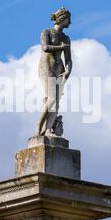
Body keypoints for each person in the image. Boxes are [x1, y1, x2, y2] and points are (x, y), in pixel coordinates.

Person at [36, 7, 72, 137]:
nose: (70, 22)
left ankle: (48, 130)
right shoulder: (47, 32)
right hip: (46, 66)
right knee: (51, 99)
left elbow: (68, 59)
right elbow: (45, 47)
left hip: (59, 69)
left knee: (56, 101)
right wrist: (60, 47)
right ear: (62, 18)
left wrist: (68, 70)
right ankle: (38, 130)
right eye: (69, 19)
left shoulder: (66, 38)